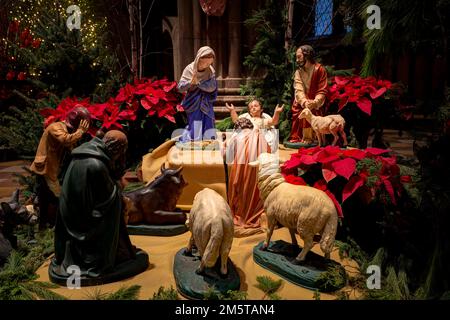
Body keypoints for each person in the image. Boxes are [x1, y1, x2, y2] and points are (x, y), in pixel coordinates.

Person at [49, 130, 149, 286]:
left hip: (71, 215)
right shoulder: (96, 165)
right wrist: (121, 197)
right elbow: (109, 200)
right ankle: (104, 261)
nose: (122, 156)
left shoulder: (83, 154)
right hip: (84, 224)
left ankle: (118, 250)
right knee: (113, 212)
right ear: (116, 149)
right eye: (122, 152)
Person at [30, 106, 90, 229]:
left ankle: (44, 225)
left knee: (45, 198)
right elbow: (65, 140)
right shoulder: (56, 127)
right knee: (56, 196)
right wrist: (80, 132)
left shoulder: (65, 130)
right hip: (45, 168)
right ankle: (57, 226)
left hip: (51, 169)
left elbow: (71, 149)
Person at [225, 118, 271, 237]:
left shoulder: (237, 137)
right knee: (256, 190)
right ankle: (259, 212)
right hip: (261, 170)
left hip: (242, 171)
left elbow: (227, 156)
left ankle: (244, 214)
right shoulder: (260, 135)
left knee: (241, 189)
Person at [289, 45, 328, 144]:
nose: (297, 60)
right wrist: (304, 102)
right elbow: (298, 89)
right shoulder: (298, 72)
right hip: (302, 101)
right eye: (296, 57)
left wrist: (315, 102)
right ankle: (300, 137)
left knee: (316, 114)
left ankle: (315, 138)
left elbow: (322, 89)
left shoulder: (319, 70)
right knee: (298, 111)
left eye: (299, 57)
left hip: (316, 101)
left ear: (307, 56)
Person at [178, 46, 218, 142]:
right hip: (194, 102)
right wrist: (190, 83)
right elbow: (180, 87)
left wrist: (199, 84)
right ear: (199, 58)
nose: (207, 65)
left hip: (206, 101)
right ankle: (194, 139)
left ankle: (208, 140)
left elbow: (213, 86)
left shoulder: (210, 70)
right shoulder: (189, 69)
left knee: (208, 121)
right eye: (205, 62)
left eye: (209, 63)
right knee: (196, 123)